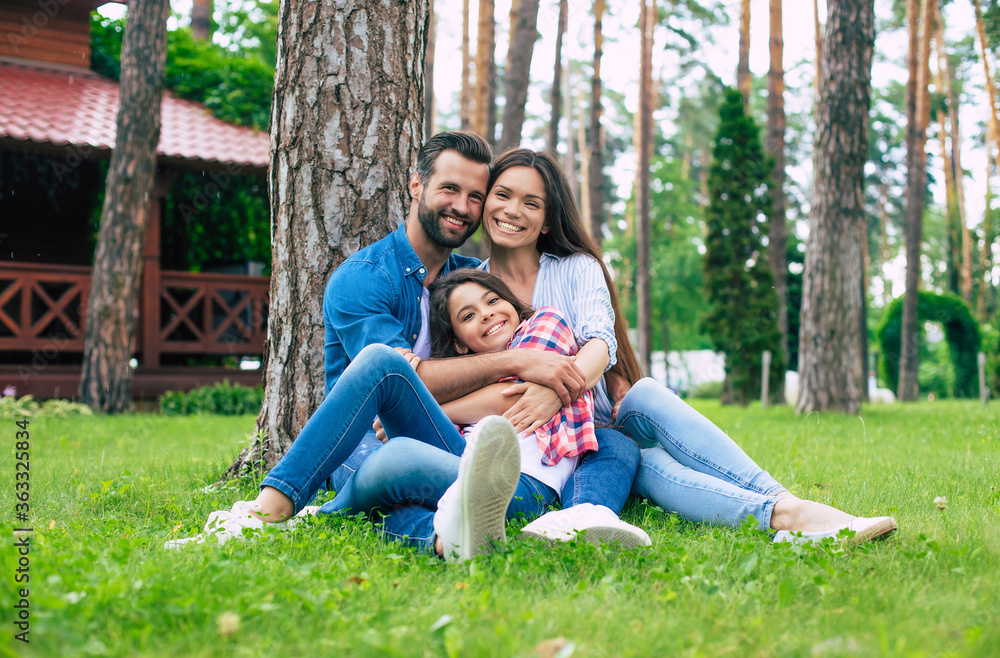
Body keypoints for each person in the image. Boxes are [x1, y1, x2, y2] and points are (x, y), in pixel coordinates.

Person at [355, 147, 896, 546]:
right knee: (650, 467)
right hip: (559, 449)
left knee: (644, 396)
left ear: (548, 218)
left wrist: (558, 391)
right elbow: (451, 364)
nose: (512, 211)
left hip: (597, 415)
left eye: (531, 203)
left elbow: (600, 343)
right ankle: (787, 518)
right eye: (501, 196)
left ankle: (790, 504)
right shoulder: (469, 280)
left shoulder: (574, 268)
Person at [166, 132, 647, 550]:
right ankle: (266, 513)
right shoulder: (364, 278)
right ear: (416, 186)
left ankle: (431, 537)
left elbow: (545, 355)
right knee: (384, 380)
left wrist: (588, 376)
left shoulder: (472, 280)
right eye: (450, 189)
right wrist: (521, 360)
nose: (463, 206)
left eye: (475, 196)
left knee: (404, 480)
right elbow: (410, 381)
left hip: (454, 443)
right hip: (365, 440)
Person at [321, 270, 651, 559]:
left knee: (396, 460)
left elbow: (509, 396)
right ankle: (441, 540)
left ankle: (325, 514)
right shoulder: (464, 376)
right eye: (468, 316)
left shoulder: (543, 324)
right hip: (465, 468)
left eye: (492, 301)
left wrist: (434, 408)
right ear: (460, 344)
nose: (487, 315)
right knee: (393, 493)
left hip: (522, 484)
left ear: (511, 303)